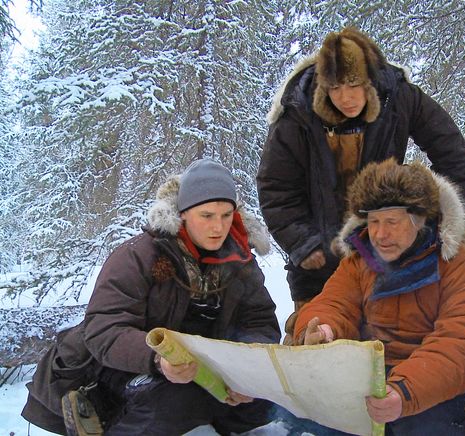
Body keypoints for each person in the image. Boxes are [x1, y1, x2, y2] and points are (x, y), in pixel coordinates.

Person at [257, 26, 465, 344]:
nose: (345, 97)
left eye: (353, 85)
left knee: (463, 245)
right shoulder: (297, 115)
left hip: (381, 231)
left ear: (370, 80)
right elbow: (275, 186)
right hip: (323, 250)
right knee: (314, 335)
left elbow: (451, 152)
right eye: (335, 87)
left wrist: (435, 216)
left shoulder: (399, 97)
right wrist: (302, 243)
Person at [22, 159, 281, 436]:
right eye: (207, 216)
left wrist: (245, 375)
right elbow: (103, 330)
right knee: (175, 402)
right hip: (118, 368)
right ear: (183, 213)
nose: (218, 227)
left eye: (226, 215)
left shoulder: (240, 262)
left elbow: (260, 321)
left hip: (202, 372)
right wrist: (158, 360)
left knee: (263, 402)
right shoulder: (138, 256)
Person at [292, 159, 465, 435]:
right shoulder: (359, 262)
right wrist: (323, 329)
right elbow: (335, 303)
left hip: (434, 387)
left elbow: (459, 344)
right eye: (374, 221)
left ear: (420, 219)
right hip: (369, 376)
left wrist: (403, 391)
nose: (379, 234)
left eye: (391, 222)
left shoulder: (462, 268)